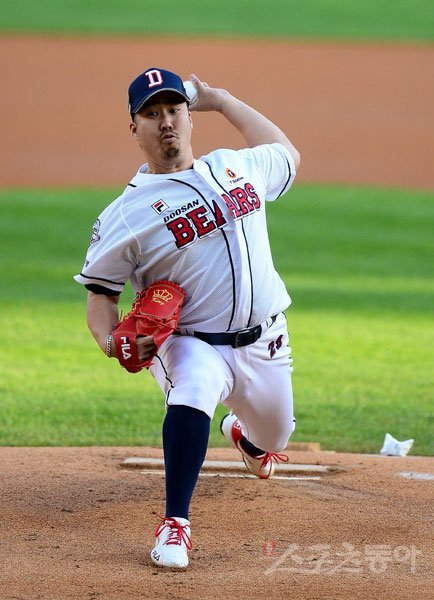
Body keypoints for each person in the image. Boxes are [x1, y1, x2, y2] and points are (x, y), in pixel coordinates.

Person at [74, 67, 300, 569]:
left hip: (265, 339)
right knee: (193, 387)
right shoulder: (127, 213)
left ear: (188, 115)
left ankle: (245, 437)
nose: (166, 122)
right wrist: (111, 342)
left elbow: (286, 152)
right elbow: (100, 296)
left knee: (276, 437)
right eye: (152, 114)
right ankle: (175, 524)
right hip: (190, 341)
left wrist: (220, 98)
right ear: (134, 128)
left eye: (174, 109)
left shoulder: (236, 167)